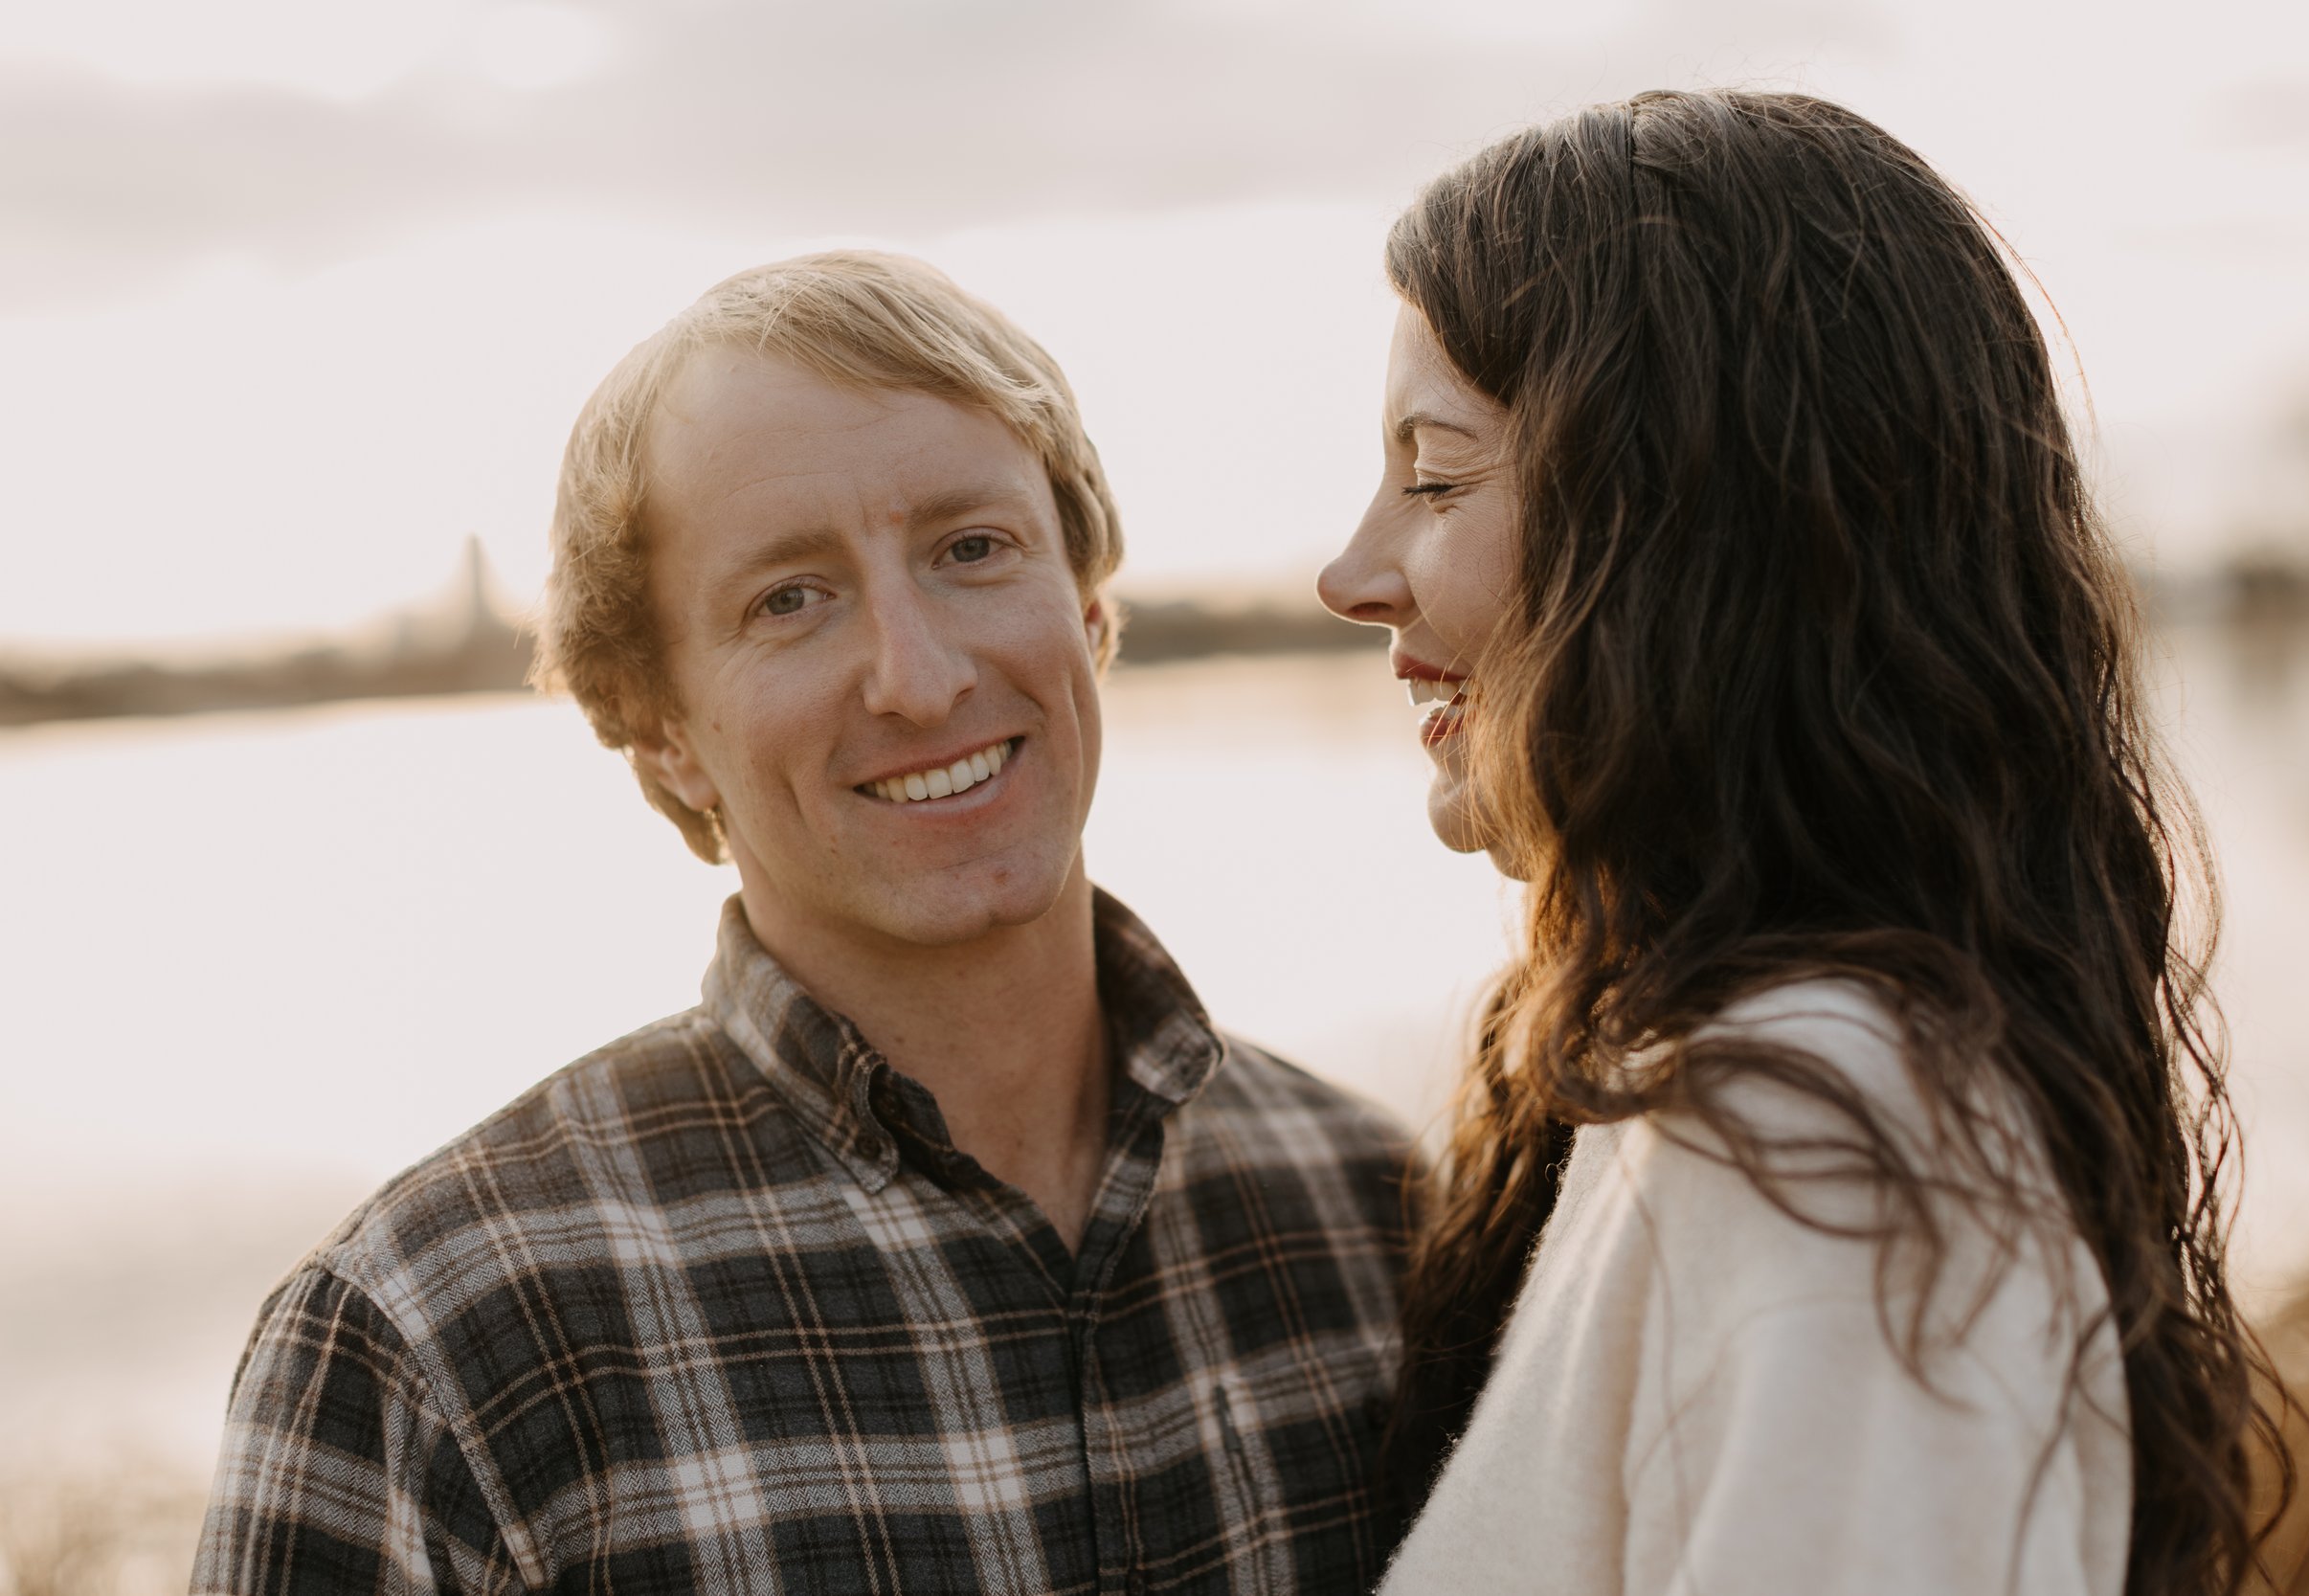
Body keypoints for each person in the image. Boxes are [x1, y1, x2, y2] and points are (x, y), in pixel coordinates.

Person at [192, 251, 1408, 1595]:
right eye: (790, 599)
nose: (919, 675)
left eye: (973, 549)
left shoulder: (1374, 1214)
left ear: (1091, 612)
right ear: (663, 738)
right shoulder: (434, 1342)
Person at [1318, 92, 2287, 1595]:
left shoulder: (1822, 1136)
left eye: (1436, 478)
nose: (1352, 570)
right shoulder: (1731, 1081)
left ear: (1685, 529)